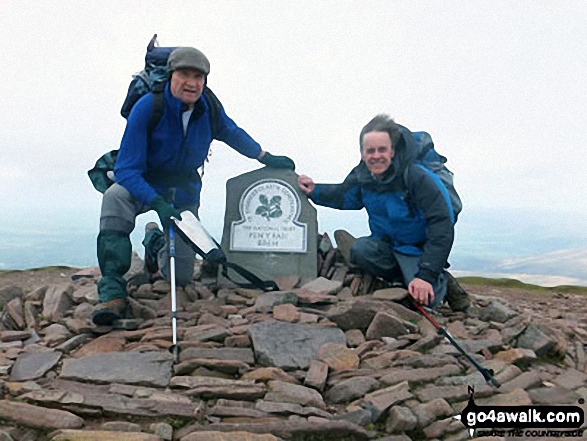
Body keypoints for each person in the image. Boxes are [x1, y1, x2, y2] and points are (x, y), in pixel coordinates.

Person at [93, 46, 295, 325]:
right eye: (185, 74)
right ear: (171, 75)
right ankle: (112, 290)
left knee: (181, 276)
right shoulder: (148, 107)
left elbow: (231, 132)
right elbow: (126, 169)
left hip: (183, 190)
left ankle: (154, 244)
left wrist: (264, 156)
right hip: (144, 182)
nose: (192, 82)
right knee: (115, 197)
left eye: (199, 77)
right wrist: (157, 203)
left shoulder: (207, 108)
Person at [298, 114, 469, 311]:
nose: (376, 155)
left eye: (382, 149)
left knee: (426, 301)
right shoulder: (363, 175)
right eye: (370, 150)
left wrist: (426, 276)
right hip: (388, 245)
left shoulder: (416, 177)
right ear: (362, 153)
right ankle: (406, 279)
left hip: (418, 249)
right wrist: (314, 190)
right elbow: (344, 196)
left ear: (392, 151)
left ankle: (441, 281)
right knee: (360, 250)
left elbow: (441, 225)